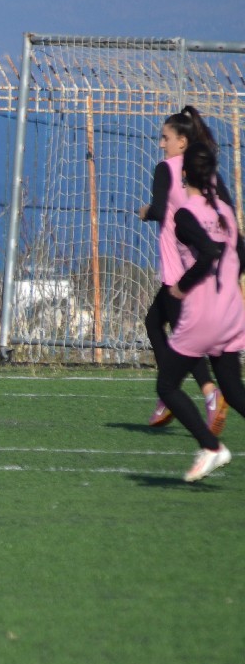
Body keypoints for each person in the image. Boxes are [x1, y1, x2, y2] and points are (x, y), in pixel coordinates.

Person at [155, 140, 245, 482]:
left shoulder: (185, 214)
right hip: (232, 312)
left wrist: (183, 285)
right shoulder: (226, 212)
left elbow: (207, 252)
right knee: (233, 391)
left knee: (167, 386)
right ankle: (211, 445)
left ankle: (211, 446)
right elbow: (241, 252)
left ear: (185, 176)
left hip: (203, 314)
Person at [138, 106, 226, 431]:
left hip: (176, 266)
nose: (161, 144)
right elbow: (223, 208)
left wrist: (146, 211)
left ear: (182, 141)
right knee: (154, 322)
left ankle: (207, 393)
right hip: (201, 263)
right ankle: (170, 395)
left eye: (166, 138)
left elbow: (161, 210)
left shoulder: (166, 168)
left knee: (180, 334)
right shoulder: (204, 170)